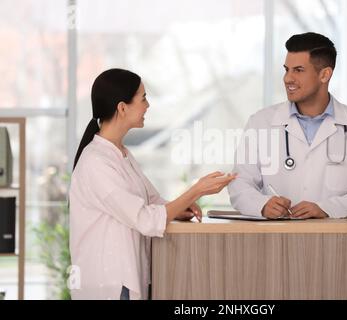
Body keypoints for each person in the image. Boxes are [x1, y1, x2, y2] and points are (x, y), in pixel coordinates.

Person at [69, 68, 236, 300]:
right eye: (143, 98)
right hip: (109, 284)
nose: (148, 106)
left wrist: (179, 210)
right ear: (122, 107)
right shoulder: (96, 162)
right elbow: (146, 219)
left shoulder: (122, 154)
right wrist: (197, 189)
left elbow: (152, 201)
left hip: (125, 279)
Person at [228, 32, 347, 220]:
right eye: (286, 69)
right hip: (275, 240)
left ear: (324, 74)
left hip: (338, 242)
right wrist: (262, 205)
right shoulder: (260, 123)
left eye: (298, 70)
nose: (288, 78)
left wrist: (327, 208)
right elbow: (239, 183)